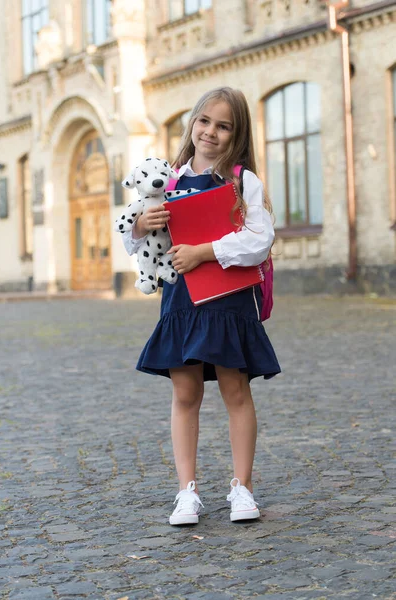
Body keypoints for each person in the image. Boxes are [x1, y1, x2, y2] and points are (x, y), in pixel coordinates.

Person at [121, 87, 281, 525]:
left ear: (236, 134)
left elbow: (258, 239)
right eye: (204, 121)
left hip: (229, 302)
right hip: (181, 302)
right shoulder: (166, 180)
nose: (211, 131)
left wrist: (204, 252)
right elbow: (140, 248)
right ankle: (186, 491)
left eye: (223, 125)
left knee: (235, 390)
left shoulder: (241, 181)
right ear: (192, 123)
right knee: (185, 392)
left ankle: (242, 487)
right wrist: (140, 224)